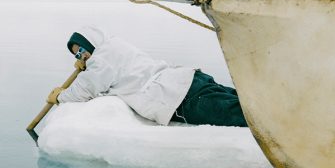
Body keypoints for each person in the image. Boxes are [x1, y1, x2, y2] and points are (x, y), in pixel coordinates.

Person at [46, 25, 247, 127]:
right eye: (77, 55)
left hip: (177, 97)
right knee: (244, 101)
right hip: (187, 79)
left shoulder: (101, 61)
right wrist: (88, 65)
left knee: (240, 115)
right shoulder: (115, 45)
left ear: (90, 43)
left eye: (81, 50)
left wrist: (60, 96)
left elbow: (85, 90)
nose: (82, 56)